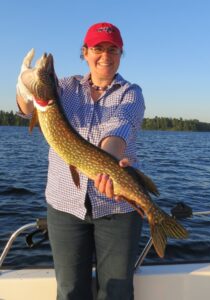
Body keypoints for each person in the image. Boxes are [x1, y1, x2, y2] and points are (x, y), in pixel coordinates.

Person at [16, 22, 145, 300]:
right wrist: (24, 87)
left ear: (120, 54)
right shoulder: (63, 87)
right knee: (70, 290)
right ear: (85, 52)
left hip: (117, 207)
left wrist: (108, 165)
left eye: (113, 50)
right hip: (64, 206)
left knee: (117, 292)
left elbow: (120, 129)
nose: (106, 56)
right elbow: (27, 110)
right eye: (98, 48)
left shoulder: (131, 92)